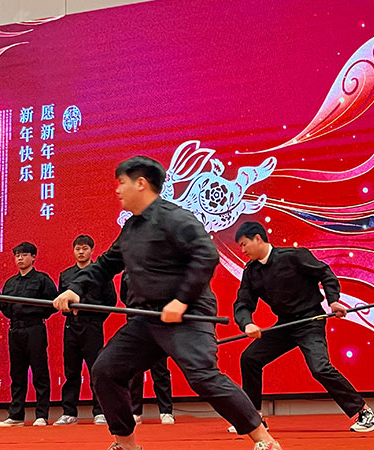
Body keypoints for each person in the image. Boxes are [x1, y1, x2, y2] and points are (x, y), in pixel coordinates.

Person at [54, 156, 281, 450]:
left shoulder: (176, 218)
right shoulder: (131, 228)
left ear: (141, 183)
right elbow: (106, 264)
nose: (117, 190)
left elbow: (206, 255)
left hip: (186, 316)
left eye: (122, 183)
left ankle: (264, 440)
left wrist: (181, 301)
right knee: (106, 371)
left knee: (203, 377)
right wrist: (75, 289)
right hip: (147, 318)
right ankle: (126, 444)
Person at [231, 221, 374, 433]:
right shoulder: (251, 272)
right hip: (286, 324)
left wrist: (333, 301)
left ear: (258, 238)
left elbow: (325, 273)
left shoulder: (293, 256)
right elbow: (243, 303)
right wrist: (247, 323)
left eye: (244, 244)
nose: (242, 250)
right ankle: (254, 419)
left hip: (310, 320)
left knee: (320, 368)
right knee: (250, 358)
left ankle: (365, 413)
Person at [54, 235, 117, 426]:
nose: (81, 252)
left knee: (95, 369)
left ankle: (100, 411)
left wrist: (95, 318)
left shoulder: (100, 274)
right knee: (71, 370)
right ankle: (69, 412)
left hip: (92, 326)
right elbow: (60, 299)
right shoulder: (66, 274)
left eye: (85, 248)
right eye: (78, 249)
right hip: (71, 326)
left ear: (92, 250)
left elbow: (110, 301)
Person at [0, 242, 58, 427]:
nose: (20, 258)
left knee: (39, 372)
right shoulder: (10, 282)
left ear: (33, 257)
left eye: (24, 255)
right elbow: (5, 306)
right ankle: (16, 415)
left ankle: (42, 415)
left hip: (34, 329)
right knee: (17, 374)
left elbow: (52, 304)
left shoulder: (42, 279)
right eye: (17, 255)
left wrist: (35, 314)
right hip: (15, 330)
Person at [121, 273, 174, 425]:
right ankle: (135, 411)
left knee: (160, 369)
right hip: (135, 323)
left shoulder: (158, 270)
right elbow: (124, 297)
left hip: (158, 323)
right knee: (135, 371)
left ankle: (166, 411)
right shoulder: (127, 273)